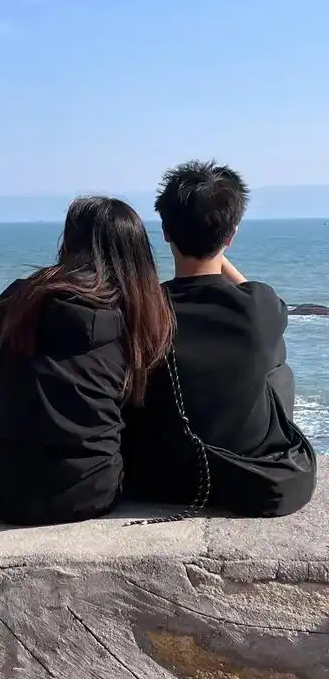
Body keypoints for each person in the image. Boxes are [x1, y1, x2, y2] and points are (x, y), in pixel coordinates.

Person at [0, 196, 174, 525]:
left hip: (4, 500)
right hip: (97, 494)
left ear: (70, 244)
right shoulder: (144, 318)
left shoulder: (25, 298)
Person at [122, 160, 317, 516]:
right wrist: (221, 252)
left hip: (159, 476)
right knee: (278, 368)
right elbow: (260, 298)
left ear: (165, 232)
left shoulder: (142, 309)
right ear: (232, 235)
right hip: (244, 479)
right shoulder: (258, 307)